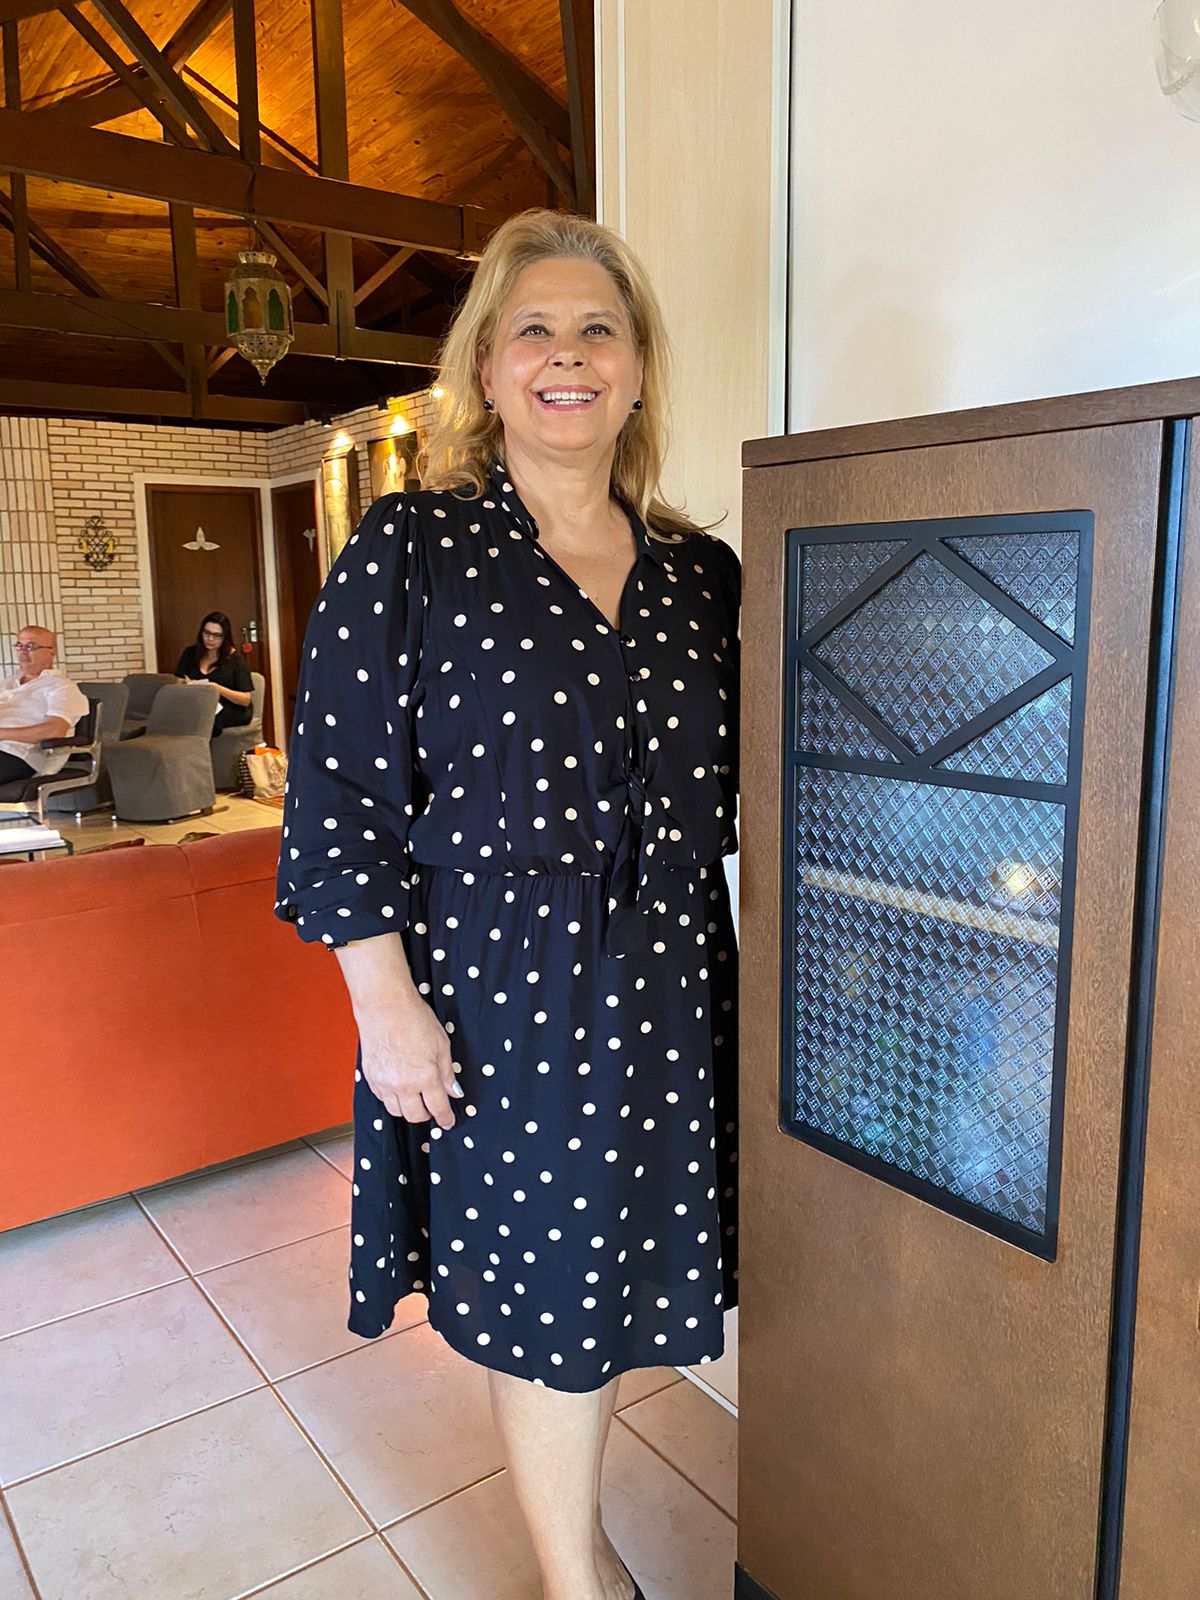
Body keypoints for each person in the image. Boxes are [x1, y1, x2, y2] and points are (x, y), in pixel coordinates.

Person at [275, 209, 739, 1600]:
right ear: (484, 370)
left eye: (598, 329)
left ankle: (576, 1542)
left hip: (670, 983)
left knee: (614, 1286)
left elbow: (744, 784)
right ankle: (573, 1582)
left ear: (638, 369)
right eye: (532, 329)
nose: (567, 355)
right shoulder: (414, 549)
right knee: (547, 1306)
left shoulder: (700, 575)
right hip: (499, 998)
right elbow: (338, 796)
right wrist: (384, 1006)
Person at [0, 625, 89, 785]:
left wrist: (2, 733)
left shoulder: (61, 687)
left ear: (52, 652)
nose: (23, 651)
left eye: (31, 646)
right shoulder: (7, 684)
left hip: (15, 753)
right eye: (19, 645)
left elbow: (54, 730)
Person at [175, 612, 253, 738]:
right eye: (206, 633)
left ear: (225, 637)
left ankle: (197, 749)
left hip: (230, 707)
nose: (210, 639)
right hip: (198, 704)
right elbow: (178, 684)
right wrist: (186, 685)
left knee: (205, 717)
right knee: (180, 713)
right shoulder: (189, 653)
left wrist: (216, 688)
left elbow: (245, 700)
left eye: (216, 635)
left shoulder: (235, 660)